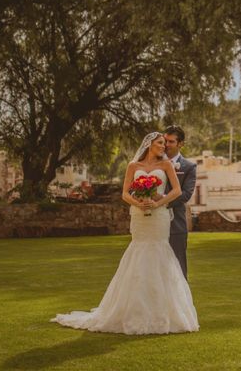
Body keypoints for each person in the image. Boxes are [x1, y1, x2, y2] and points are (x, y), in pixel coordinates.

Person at [50, 132, 199, 335]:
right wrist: (138, 202)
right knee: (138, 253)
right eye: (160, 143)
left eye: (165, 143)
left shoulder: (166, 165)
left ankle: (164, 311)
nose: (164, 146)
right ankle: (132, 309)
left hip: (159, 216)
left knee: (160, 253)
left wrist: (157, 202)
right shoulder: (133, 166)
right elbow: (125, 193)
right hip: (139, 216)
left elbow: (177, 192)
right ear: (149, 145)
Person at [162, 125, 197, 280]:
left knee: (178, 264)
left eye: (171, 141)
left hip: (176, 222)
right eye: (164, 141)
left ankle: (181, 302)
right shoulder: (152, 163)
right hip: (153, 223)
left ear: (180, 144)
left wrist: (162, 203)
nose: (166, 145)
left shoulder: (189, 167)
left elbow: (186, 194)